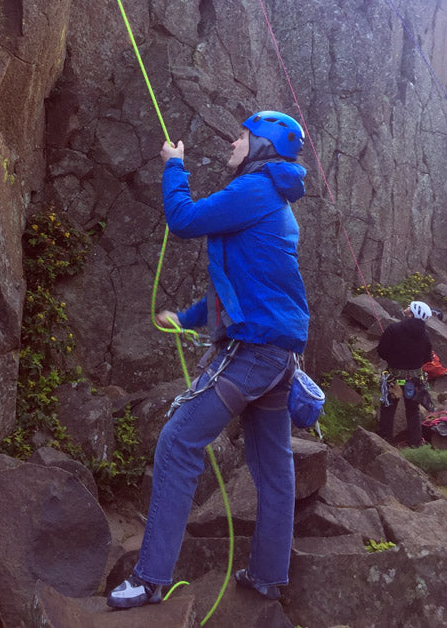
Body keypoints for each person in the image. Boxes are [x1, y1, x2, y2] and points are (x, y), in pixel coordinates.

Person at [107, 111, 310, 609]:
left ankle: (151, 578)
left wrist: (174, 167)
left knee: (179, 440)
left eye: (241, 138)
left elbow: (185, 221)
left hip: (254, 353)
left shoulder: (255, 191)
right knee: (274, 468)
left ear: (261, 147)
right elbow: (244, 283)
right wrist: (190, 317)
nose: (232, 146)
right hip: (281, 355)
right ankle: (268, 575)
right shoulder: (273, 198)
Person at [378, 301, 434, 447]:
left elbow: (381, 351)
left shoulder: (394, 329)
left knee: (388, 406)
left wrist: (392, 358)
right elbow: (427, 358)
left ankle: (383, 440)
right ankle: (416, 442)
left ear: (412, 312)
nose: (407, 307)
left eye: (410, 306)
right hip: (414, 379)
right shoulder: (425, 335)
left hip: (394, 377)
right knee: (412, 410)